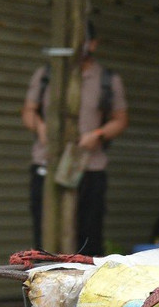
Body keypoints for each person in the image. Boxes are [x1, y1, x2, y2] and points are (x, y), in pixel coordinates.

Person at [22, 27, 129, 255]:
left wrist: (98, 134)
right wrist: (40, 127)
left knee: (89, 238)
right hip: (46, 163)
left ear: (93, 44)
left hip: (88, 166)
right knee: (44, 235)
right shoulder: (46, 74)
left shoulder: (107, 79)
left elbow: (120, 120)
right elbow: (29, 111)